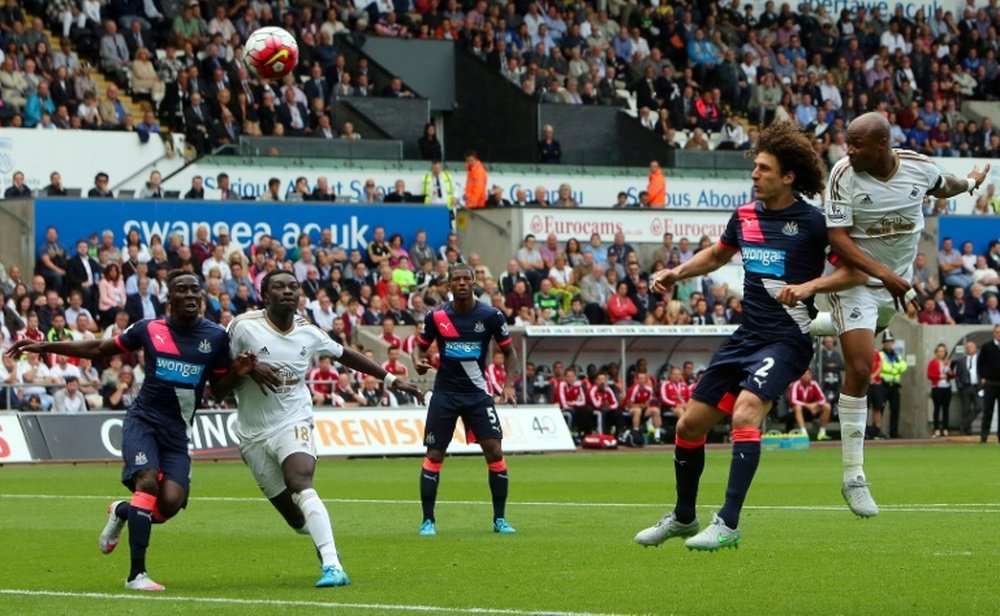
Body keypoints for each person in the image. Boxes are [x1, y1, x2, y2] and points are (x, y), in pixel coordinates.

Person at [633, 121, 854, 551]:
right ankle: (682, 516)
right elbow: (718, 255)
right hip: (745, 338)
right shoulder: (745, 216)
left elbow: (851, 270)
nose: (755, 175)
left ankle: (728, 523)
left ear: (788, 176)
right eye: (754, 168)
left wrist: (811, 288)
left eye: (764, 169)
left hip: (787, 339)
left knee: (746, 414)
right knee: (689, 425)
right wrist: (676, 271)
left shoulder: (813, 223)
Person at [6, 271, 252, 591]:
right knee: (147, 483)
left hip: (177, 432)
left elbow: (218, 391)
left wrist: (237, 374)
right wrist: (43, 346)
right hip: (143, 421)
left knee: (170, 504)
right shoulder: (150, 329)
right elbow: (99, 348)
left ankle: (122, 511)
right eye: (183, 290)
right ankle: (137, 574)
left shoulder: (216, 337)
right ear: (169, 299)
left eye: (196, 290)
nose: (191, 295)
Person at [797, 112, 989, 517]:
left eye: (856, 144)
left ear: (881, 144)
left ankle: (811, 323)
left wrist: (971, 183)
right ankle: (854, 476)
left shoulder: (918, 168)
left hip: (894, 287)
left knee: (871, 332)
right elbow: (838, 239)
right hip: (857, 280)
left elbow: (945, 185)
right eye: (846, 143)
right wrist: (886, 275)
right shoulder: (843, 174)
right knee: (863, 366)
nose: (848, 150)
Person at [227, 270, 422, 587]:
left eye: (293, 286)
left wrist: (393, 380)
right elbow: (220, 382)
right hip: (252, 433)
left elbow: (347, 356)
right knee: (298, 521)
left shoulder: (308, 332)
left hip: (293, 420)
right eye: (279, 286)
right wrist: (245, 372)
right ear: (264, 295)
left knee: (300, 482)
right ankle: (323, 541)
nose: (288, 291)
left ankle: (332, 565)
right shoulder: (242, 327)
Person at [411, 263, 517, 536]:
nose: (460, 283)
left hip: (477, 395)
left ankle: (500, 519)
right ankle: (428, 521)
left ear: (473, 283)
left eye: (465, 279)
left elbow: (510, 353)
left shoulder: (491, 315)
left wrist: (507, 385)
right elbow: (419, 347)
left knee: (494, 451)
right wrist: (417, 361)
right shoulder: (436, 317)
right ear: (448, 286)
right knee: (434, 453)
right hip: (445, 393)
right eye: (455, 279)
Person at [788, 369, 832, 440]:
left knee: (827, 406)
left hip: (812, 410)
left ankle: (822, 433)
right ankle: (804, 433)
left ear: (811, 376)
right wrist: (807, 405)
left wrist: (814, 404)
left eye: (808, 374)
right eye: (804, 374)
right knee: (798, 407)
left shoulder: (814, 384)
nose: (806, 376)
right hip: (797, 411)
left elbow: (823, 399)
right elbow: (793, 400)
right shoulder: (795, 384)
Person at [976, 324, 1000, 444]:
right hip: (990, 383)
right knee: (988, 411)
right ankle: (984, 437)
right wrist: (982, 378)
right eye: (997, 332)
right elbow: (980, 364)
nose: (999, 334)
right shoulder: (987, 347)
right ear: (993, 333)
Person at [926, 343, 954, 437]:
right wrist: (939, 376)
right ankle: (936, 428)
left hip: (947, 387)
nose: (941, 353)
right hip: (937, 387)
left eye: (943, 351)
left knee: (946, 409)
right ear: (936, 352)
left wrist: (949, 371)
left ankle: (945, 428)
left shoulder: (948, 362)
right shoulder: (933, 362)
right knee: (937, 408)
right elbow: (930, 375)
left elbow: (952, 374)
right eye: (940, 351)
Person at [955, 340, 981, 436]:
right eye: (968, 347)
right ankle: (967, 430)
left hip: (977, 387)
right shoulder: (961, 360)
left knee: (979, 406)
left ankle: (964, 423)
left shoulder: (980, 359)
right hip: (965, 386)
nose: (969, 349)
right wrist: (960, 386)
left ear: (976, 348)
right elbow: (957, 375)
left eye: (971, 347)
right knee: (966, 409)